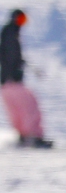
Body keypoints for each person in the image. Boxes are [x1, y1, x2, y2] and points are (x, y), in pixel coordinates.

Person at [0, 9, 52, 148]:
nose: (23, 23)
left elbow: (9, 55)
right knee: (30, 105)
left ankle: (23, 136)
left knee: (17, 108)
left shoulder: (7, 33)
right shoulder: (11, 34)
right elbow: (11, 55)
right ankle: (33, 137)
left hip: (6, 82)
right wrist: (15, 71)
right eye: (21, 20)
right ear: (16, 19)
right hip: (12, 80)